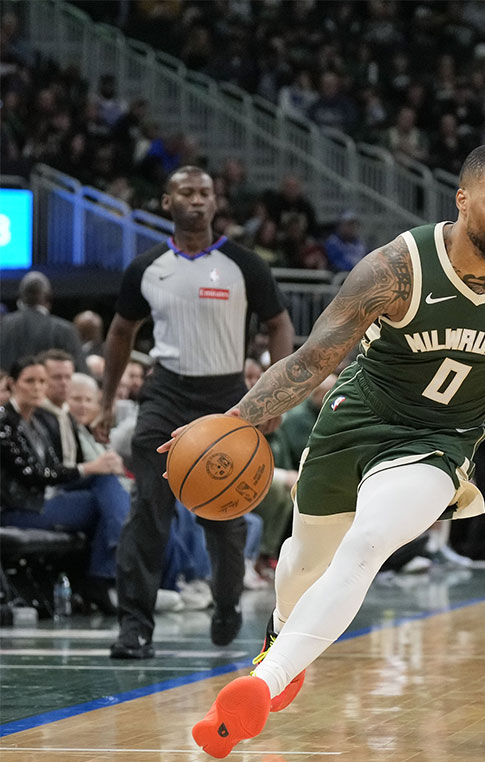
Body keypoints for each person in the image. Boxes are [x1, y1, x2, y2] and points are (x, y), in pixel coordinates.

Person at [179, 144, 485, 758]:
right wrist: (231, 423)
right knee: (300, 564)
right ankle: (283, 640)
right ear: (462, 200)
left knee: (368, 543)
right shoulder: (397, 268)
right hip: (356, 421)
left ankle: (262, 684)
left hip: (439, 441)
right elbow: (313, 361)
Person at [95, 166, 295, 659]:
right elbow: (121, 332)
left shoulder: (244, 264)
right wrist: (105, 400)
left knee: (225, 517)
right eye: (186, 191)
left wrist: (275, 396)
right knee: (148, 512)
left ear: (215, 201)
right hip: (165, 394)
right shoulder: (147, 267)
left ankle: (226, 603)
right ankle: (134, 626)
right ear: (167, 202)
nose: (198, 200)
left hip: (225, 398)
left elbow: (280, 325)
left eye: (205, 192)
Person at [0, 356, 129, 612]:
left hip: (41, 500)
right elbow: (32, 474)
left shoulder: (35, 422)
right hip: (18, 509)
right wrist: (87, 468)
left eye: (41, 381)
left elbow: (52, 468)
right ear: (12, 384)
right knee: (103, 500)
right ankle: (109, 570)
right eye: (30, 381)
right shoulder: (4, 423)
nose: (37, 387)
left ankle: (107, 571)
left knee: (107, 484)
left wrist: (93, 469)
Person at [0, 271, 86, 372]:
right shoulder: (65, 330)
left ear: (20, 298)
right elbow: (82, 374)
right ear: (49, 299)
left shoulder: (2, 326)